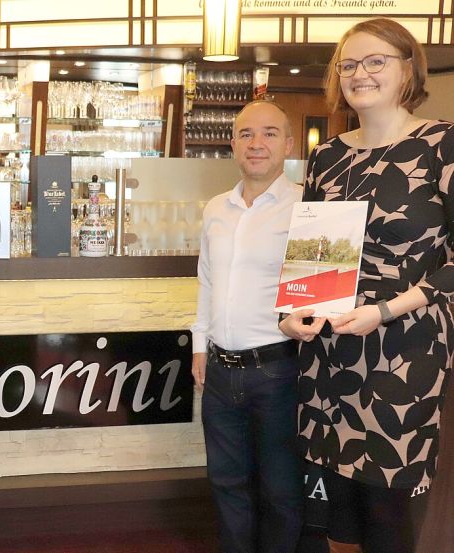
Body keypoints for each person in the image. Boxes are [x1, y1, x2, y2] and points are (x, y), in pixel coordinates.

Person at [279, 18, 453, 553]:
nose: (360, 74)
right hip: (330, 348)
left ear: (408, 69)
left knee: (386, 506)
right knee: (337, 511)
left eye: (376, 60)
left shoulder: (441, 144)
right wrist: (293, 311)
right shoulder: (327, 156)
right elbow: (314, 251)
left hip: (403, 347)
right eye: (349, 64)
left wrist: (389, 309)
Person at [190, 100, 303, 553]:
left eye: (270, 133)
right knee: (226, 483)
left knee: (281, 490)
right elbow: (207, 279)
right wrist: (200, 345)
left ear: (289, 144)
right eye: (247, 134)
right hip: (219, 369)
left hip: (278, 370)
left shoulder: (308, 206)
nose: (257, 144)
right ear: (232, 143)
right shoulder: (217, 207)